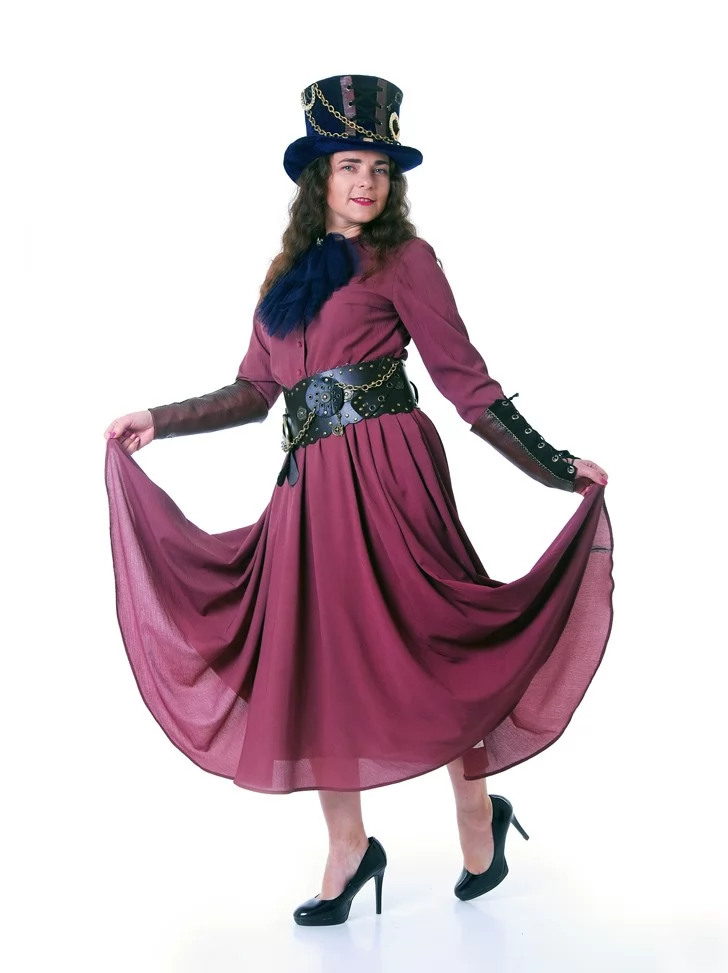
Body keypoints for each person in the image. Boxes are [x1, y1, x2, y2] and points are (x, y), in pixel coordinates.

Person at [103, 74, 613, 927]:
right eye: (349, 165)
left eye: (380, 167)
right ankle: (348, 846)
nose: (367, 181)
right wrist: (160, 418)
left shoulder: (406, 260)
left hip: (393, 473)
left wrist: (558, 467)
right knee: (317, 659)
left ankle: (476, 813)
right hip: (310, 495)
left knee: (437, 640)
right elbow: (255, 390)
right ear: (320, 177)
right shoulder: (284, 279)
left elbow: (468, 385)